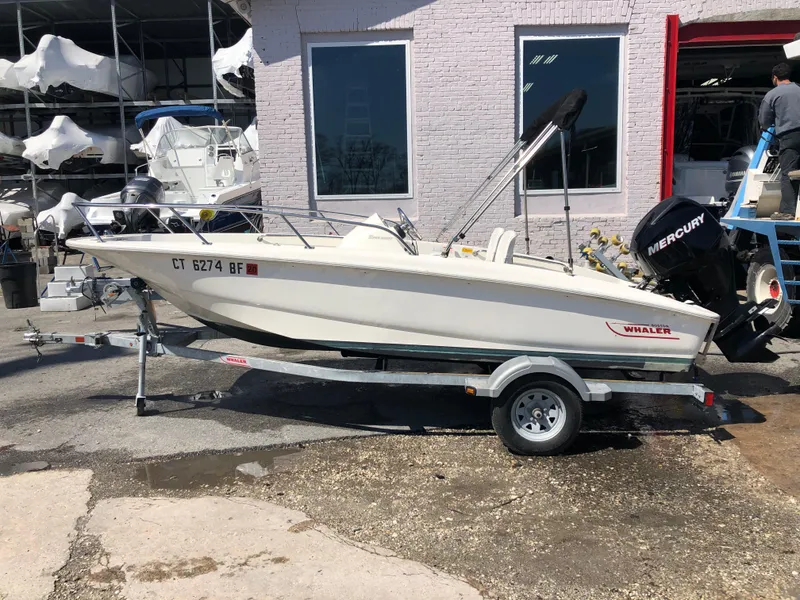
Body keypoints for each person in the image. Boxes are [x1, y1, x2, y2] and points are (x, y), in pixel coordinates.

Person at [759, 63, 800, 220]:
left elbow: (764, 120)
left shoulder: (772, 95)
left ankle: (788, 211)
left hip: (789, 137)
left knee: (788, 173)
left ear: (775, 78)